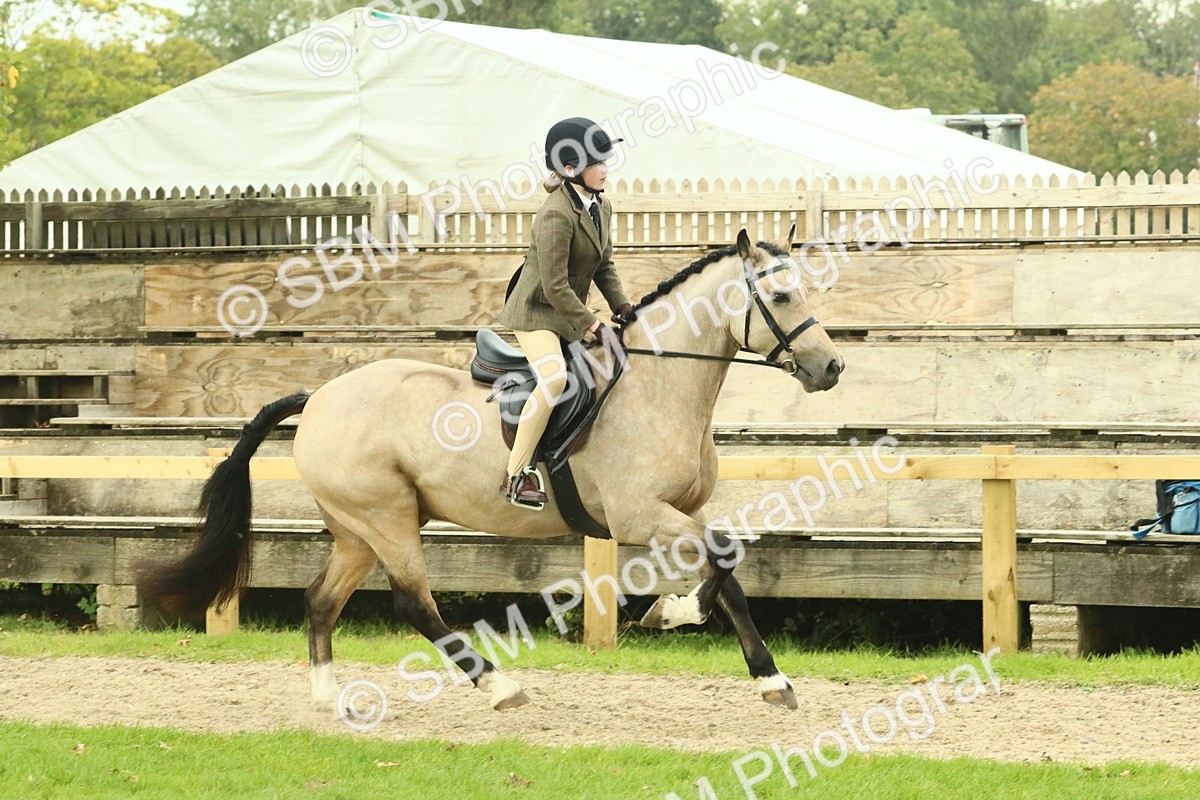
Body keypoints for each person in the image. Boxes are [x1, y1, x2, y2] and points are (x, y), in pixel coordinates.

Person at [494, 117, 633, 506]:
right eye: (597, 162)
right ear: (571, 169)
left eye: (607, 160)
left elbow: (604, 266)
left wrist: (622, 306)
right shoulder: (555, 213)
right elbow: (555, 288)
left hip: (566, 311)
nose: (606, 168)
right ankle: (516, 474)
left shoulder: (600, 206)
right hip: (537, 312)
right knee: (554, 379)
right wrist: (593, 325)